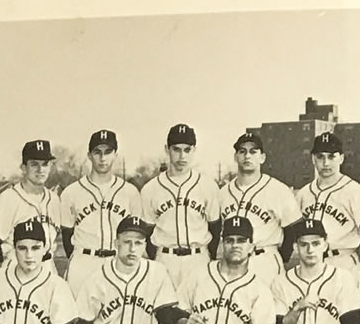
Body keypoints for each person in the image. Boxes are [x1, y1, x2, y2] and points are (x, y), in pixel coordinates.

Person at [60, 129, 143, 297]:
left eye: (108, 152)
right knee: (78, 318)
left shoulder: (130, 192)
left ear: (115, 155)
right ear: (89, 155)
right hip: (84, 261)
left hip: (117, 261)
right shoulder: (71, 192)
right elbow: (66, 235)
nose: (102, 158)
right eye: (97, 152)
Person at [140, 123, 220, 288]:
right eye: (176, 149)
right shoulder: (151, 189)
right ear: (167, 150)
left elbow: (215, 229)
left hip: (198, 258)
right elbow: (146, 232)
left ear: (194, 150)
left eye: (187, 150)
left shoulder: (208, 186)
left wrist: (208, 256)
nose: (181, 156)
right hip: (165, 259)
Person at [218, 132, 301, 284]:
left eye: (253, 151)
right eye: (242, 151)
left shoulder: (278, 190)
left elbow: (293, 229)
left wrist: (281, 257)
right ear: (236, 157)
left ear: (262, 157)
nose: (247, 156)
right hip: (232, 261)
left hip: (264, 259)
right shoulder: (223, 193)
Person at [296, 132, 360, 268]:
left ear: (341, 158)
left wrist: (355, 258)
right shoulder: (303, 193)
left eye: (331, 157)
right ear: (313, 159)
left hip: (342, 259)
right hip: (309, 261)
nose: (326, 163)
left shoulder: (356, 192)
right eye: (320, 157)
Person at [0, 139, 62, 269]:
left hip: (47, 267)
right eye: (34, 164)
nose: (40, 169)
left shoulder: (54, 200)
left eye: (45, 164)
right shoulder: (8, 198)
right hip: (16, 267)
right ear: (23, 168)